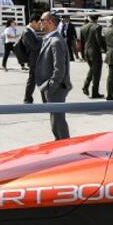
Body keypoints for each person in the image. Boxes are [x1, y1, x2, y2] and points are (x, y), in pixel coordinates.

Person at [35, 12, 72, 140]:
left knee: (58, 121)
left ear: (50, 22)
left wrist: (50, 87)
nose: (40, 22)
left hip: (56, 88)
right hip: (52, 87)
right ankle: (60, 143)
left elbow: (59, 69)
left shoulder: (56, 41)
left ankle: (65, 146)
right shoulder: (50, 38)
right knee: (55, 120)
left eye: (42, 20)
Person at [79, 15, 105, 97]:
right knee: (97, 73)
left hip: (86, 52)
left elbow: (82, 42)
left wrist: (82, 54)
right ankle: (95, 92)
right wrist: (105, 48)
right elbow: (99, 40)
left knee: (92, 70)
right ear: (97, 19)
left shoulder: (83, 27)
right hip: (95, 52)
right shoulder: (97, 27)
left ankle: (85, 86)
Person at [21, 15, 42, 103]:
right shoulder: (27, 32)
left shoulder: (31, 31)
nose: (39, 25)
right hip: (33, 60)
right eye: (39, 23)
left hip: (35, 60)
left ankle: (28, 99)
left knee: (33, 80)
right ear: (33, 22)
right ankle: (27, 99)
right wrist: (43, 40)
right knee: (34, 80)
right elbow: (34, 46)